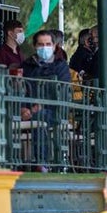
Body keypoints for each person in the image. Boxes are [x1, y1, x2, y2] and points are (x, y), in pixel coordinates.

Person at [21, 30, 71, 171]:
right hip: (29, 111)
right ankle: (8, 164)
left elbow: (62, 92)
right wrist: (23, 108)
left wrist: (40, 106)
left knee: (39, 117)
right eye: (41, 44)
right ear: (35, 46)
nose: (45, 47)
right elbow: (21, 89)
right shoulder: (27, 65)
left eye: (48, 44)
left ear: (54, 46)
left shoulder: (61, 66)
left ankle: (42, 163)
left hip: (55, 111)